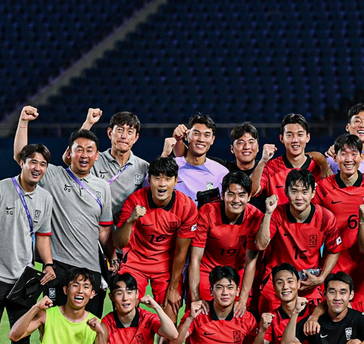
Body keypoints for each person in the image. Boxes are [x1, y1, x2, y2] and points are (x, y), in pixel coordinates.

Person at [14, 106, 113, 318]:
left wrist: (112, 258)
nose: (84, 155)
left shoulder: (102, 187)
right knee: (52, 327)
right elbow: (21, 156)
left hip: (91, 270)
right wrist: (23, 122)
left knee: (89, 330)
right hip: (58, 270)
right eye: (79, 150)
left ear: (96, 156)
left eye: (89, 151)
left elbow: (104, 232)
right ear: (69, 154)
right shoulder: (54, 177)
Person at [114, 157, 197, 323]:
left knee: (170, 314)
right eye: (157, 178)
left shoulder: (186, 207)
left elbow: (181, 251)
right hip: (136, 261)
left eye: (167, 178)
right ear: (149, 179)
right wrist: (130, 220)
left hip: (165, 265)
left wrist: (173, 288)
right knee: (124, 308)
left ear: (176, 181)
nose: (162, 184)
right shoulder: (135, 201)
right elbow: (119, 243)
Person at [0, 143, 54, 344]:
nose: (38, 168)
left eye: (43, 164)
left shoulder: (45, 198)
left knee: (21, 335)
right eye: (33, 162)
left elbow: (43, 237)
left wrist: (49, 264)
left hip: (23, 279)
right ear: (21, 163)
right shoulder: (2, 189)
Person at [254, 169, 342, 314]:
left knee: (312, 326)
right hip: (277, 283)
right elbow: (260, 245)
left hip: (309, 282)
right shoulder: (276, 214)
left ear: (313, 192)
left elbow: (334, 250)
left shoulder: (325, 217)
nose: (299, 197)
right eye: (294, 191)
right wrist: (268, 213)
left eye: (304, 192)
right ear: (286, 192)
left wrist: (322, 278)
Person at [315, 134, 364, 301]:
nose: (348, 159)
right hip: (332, 267)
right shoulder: (323, 188)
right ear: (335, 157)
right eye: (343, 154)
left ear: (361, 157)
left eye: (353, 154)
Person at [189, 171, 262, 313]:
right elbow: (195, 258)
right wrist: (195, 298)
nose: (236, 200)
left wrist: (242, 300)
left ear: (249, 197)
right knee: (201, 313)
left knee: (241, 314)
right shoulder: (207, 212)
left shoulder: (255, 216)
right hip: (207, 269)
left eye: (241, 195)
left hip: (237, 269)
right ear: (222, 195)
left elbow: (250, 261)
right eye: (231, 194)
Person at [62, 108, 149, 224]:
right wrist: (88, 123)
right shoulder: (95, 159)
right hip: (90, 226)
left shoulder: (143, 167)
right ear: (109, 133)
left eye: (130, 132)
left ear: (136, 138)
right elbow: (69, 159)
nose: (124, 136)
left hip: (121, 233)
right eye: (119, 130)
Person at [251, 114, 326, 205]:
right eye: (289, 135)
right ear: (281, 138)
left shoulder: (320, 167)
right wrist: (263, 161)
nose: (295, 140)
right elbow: (252, 191)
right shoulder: (271, 168)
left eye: (300, 134)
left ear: (308, 137)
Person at [169, 113, 229, 205]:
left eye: (207, 135)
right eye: (196, 133)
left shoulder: (221, 173)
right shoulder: (170, 167)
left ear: (212, 140)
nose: (201, 139)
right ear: (186, 136)